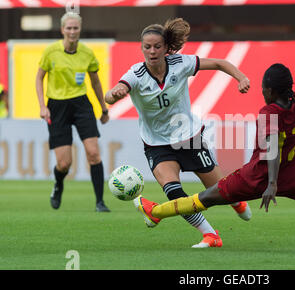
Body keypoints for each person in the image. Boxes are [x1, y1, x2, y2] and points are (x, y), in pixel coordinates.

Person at [132, 63, 295, 254]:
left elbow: (272, 149)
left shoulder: (268, 113)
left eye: (264, 88)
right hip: (294, 177)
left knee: (205, 198)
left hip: (257, 178)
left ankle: (157, 211)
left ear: (271, 91)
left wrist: (272, 183)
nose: (262, 92)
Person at [105, 18, 252, 248]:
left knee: (219, 191)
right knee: (174, 192)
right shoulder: (136, 74)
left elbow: (219, 63)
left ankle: (236, 202)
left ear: (166, 48)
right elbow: (111, 94)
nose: (152, 51)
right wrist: (115, 93)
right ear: (141, 48)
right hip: (156, 144)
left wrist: (241, 78)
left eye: (157, 46)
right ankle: (210, 235)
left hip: (189, 138)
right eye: (147, 47)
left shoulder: (180, 63)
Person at [35, 12, 111, 212]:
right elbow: (39, 78)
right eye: (68, 28)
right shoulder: (51, 51)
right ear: (62, 30)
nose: (72, 31)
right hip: (57, 106)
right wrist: (43, 106)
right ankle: (58, 184)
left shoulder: (87, 53)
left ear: (80, 29)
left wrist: (103, 108)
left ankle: (100, 202)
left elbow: (95, 81)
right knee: (64, 163)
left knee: (94, 153)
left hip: (81, 105)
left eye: (75, 27)